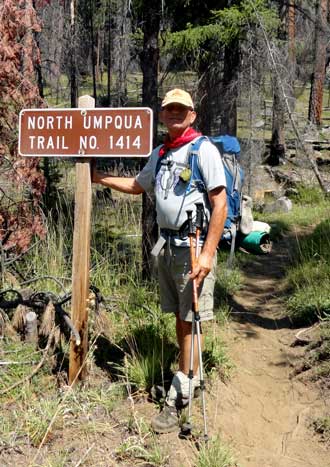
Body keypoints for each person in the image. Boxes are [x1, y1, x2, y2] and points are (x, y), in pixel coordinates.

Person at [92, 88, 227, 433]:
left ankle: (181, 394)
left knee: (191, 319)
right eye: (169, 110)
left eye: (181, 110)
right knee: (181, 321)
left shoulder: (203, 151)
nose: (174, 115)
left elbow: (220, 204)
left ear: (192, 115)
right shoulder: (162, 153)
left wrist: (209, 254)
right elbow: (138, 185)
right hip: (167, 247)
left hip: (193, 249)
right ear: (163, 114)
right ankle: (188, 376)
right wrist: (99, 177)